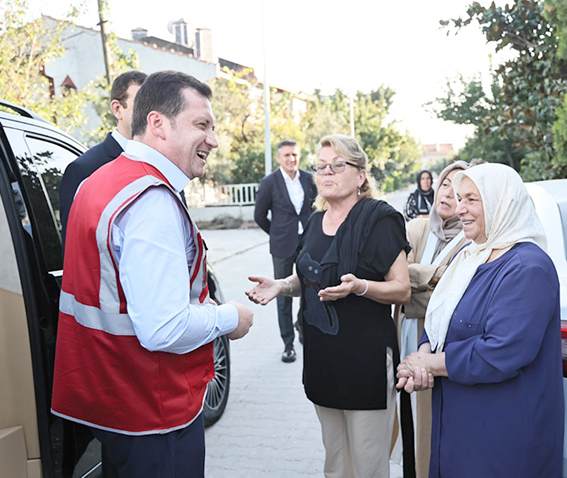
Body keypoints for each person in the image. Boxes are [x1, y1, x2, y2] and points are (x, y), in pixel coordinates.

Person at [51, 70, 254, 478]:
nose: (213, 140)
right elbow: (163, 328)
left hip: (117, 405)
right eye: (202, 125)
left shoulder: (100, 181)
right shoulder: (150, 199)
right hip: (155, 413)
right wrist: (231, 316)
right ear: (158, 124)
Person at [247, 134, 411, 478]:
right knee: (335, 464)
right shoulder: (314, 221)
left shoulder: (380, 219)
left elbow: (401, 289)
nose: (326, 173)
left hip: (365, 362)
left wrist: (360, 287)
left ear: (361, 175)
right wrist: (280, 285)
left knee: (368, 466)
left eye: (338, 165)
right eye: (320, 167)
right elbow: (307, 279)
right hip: (323, 359)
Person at [396, 163, 564, 477]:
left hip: (502, 437)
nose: (460, 209)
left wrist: (430, 364)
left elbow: (500, 352)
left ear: (502, 202)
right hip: (458, 427)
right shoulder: (471, 256)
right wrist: (424, 353)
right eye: (459, 198)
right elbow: (441, 318)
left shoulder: (528, 268)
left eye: (472, 199)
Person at [396, 161, 469, 478]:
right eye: (444, 184)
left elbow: (452, 297)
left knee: (428, 428)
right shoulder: (417, 228)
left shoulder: (471, 241)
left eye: (460, 188)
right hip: (402, 340)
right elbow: (395, 278)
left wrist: (410, 283)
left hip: (437, 351)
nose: (448, 193)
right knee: (404, 422)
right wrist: (434, 276)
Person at [59, 70, 147, 237]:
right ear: (117, 109)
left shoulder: (164, 164)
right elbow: (75, 249)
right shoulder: (84, 170)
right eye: (142, 105)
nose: (150, 114)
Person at [254, 139, 317, 362]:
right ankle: (287, 343)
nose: (292, 159)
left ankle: (302, 325)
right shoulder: (269, 182)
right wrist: (277, 233)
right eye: (287, 155)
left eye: (295, 155)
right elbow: (259, 216)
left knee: (310, 288)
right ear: (279, 158)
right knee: (282, 292)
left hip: (308, 243)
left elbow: (317, 208)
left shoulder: (309, 179)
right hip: (282, 246)